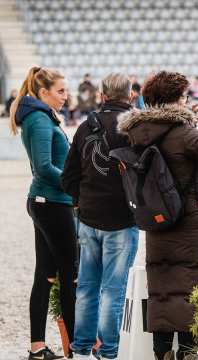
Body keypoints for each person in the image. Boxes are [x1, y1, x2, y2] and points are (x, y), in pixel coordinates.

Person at [116, 71, 198, 360]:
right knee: (191, 285)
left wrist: (188, 121)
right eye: (183, 97)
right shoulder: (184, 133)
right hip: (191, 221)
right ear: (175, 99)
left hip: (156, 219)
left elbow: (166, 144)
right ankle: (186, 352)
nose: (187, 100)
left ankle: (161, 353)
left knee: (162, 286)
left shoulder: (138, 131)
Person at [62, 73, 139, 360]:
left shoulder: (85, 127)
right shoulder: (135, 128)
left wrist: (80, 203)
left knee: (86, 288)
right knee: (112, 292)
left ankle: (81, 350)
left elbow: (68, 176)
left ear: (102, 95)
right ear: (130, 96)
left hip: (88, 217)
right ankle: (108, 353)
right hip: (122, 220)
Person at [10, 66, 77, 360]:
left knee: (46, 276)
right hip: (52, 204)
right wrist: (75, 187)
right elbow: (44, 167)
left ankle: (38, 347)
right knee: (69, 274)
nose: (66, 96)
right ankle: (78, 345)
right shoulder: (38, 120)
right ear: (43, 93)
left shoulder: (41, 117)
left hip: (48, 202)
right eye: (60, 91)